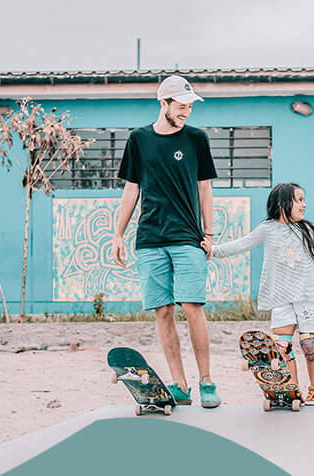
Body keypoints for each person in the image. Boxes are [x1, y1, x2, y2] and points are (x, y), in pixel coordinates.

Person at [109, 75, 220, 408]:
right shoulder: (138, 139)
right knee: (162, 311)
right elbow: (131, 189)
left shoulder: (197, 139)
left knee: (192, 307)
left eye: (189, 107)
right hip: (150, 238)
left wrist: (210, 234)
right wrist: (118, 233)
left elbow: (205, 189)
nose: (186, 112)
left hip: (188, 237)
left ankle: (206, 382)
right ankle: (180, 384)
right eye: (181, 107)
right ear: (164, 103)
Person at [202, 183, 314, 404]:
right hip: (281, 296)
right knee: (282, 347)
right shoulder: (267, 229)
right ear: (283, 203)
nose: (304, 205)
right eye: (299, 200)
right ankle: (292, 391)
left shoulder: (307, 228)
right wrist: (214, 251)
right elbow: (242, 244)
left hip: (309, 295)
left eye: (304, 200)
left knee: (310, 344)